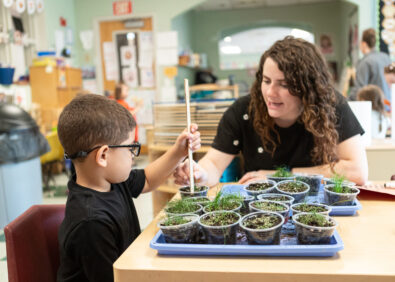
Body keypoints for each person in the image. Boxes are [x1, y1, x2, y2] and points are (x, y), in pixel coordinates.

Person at [174, 36, 368, 187]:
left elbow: (357, 172)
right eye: (266, 81)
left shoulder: (330, 105)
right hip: (258, 211)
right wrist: (198, 174)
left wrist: (280, 177)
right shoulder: (243, 111)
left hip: (316, 208)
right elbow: (214, 165)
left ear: (307, 88)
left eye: (283, 85)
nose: (270, 93)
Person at [56, 94, 200, 282]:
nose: (133, 155)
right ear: (103, 156)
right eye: (130, 147)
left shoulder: (109, 179)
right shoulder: (91, 224)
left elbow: (147, 180)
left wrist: (178, 151)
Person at [349, 28, 391, 102]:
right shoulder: (386, 58)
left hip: (374, 107)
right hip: (389, 105)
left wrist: (346, 102)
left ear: (364, 44)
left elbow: (359, 89)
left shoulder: (365, 62)